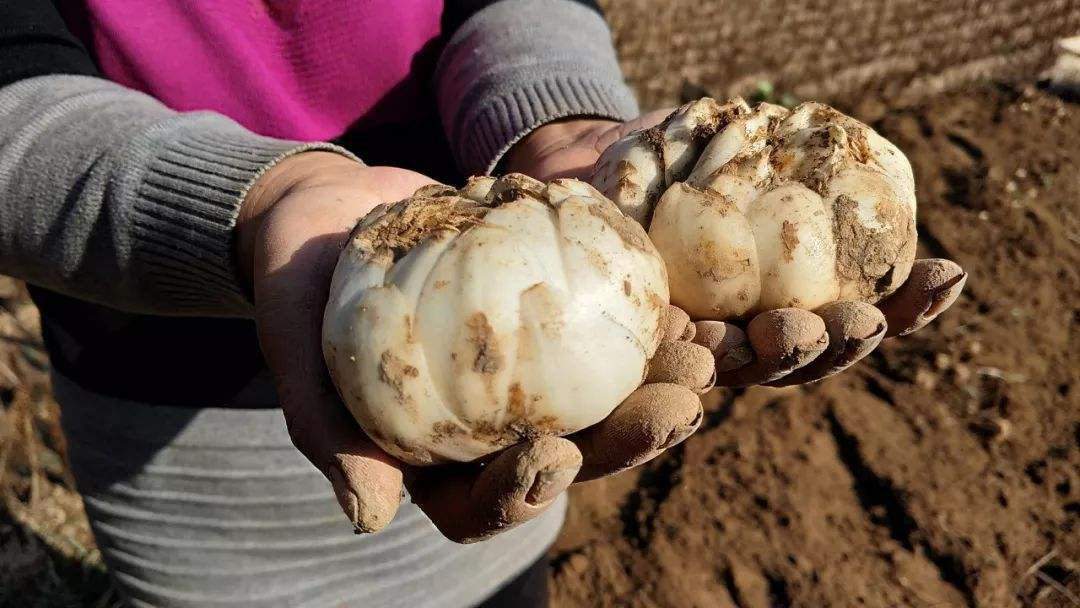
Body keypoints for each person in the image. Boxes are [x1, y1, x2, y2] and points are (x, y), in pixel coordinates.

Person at [0, 1, 966, 606]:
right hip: (167, 413)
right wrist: (252, 206)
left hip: (496, 367)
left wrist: (559, 124)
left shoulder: (600, 233)